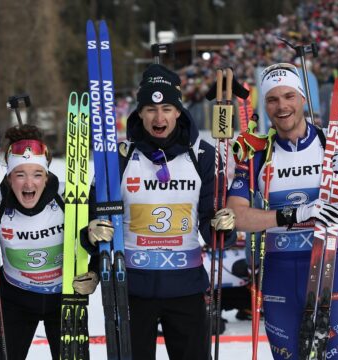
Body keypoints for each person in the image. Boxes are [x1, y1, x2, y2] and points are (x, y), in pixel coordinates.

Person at [227, 62, 338, 360]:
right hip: (279, 282)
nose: (282, 105)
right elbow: (236, 216)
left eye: (289, 96)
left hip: (329, 279)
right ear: (266, 105)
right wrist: (293, 215)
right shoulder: (257, 154)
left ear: (303, 98)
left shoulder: (336, 146)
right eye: (272, 99)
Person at [84, 63, 235, 359]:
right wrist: (91, 236)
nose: (159, 117)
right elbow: (94, 222)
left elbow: (210, 222)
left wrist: (224, 228)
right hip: (132, 290)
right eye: (151, 109)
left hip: (187, 288)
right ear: (139, 113)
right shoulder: (119, 158)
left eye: (167, 108)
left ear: (178, 111)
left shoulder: (202, 155)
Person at [0, 124, 98, 360]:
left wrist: (95, 272)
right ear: (8, 177)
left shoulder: (70, 198)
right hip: (15, 301)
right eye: (20, 174)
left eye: (37, 174)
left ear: (46, 176)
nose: (29, 184)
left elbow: (100, 241)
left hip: (65, 299)